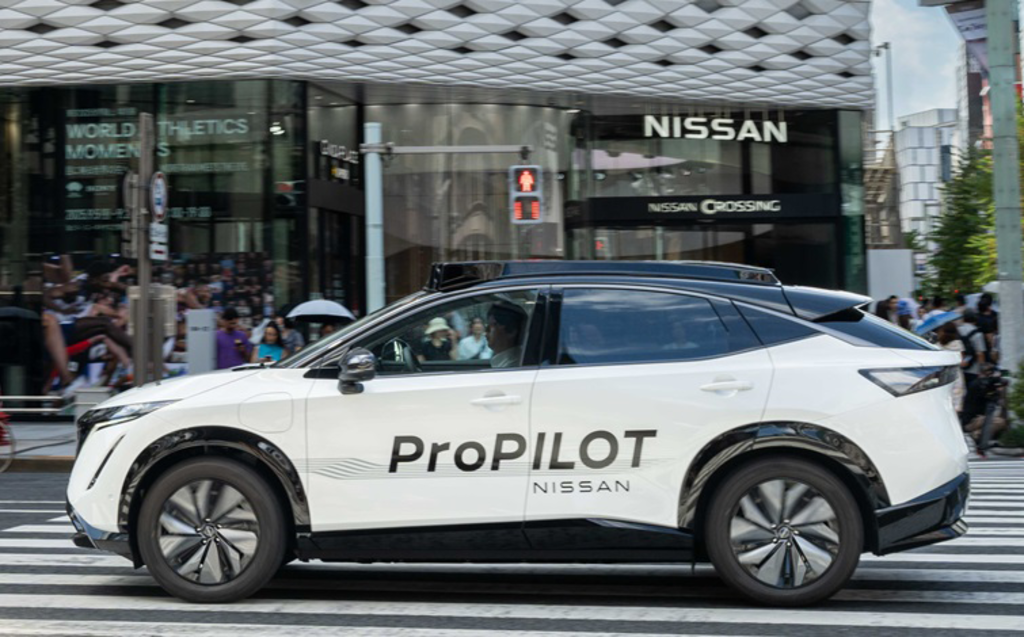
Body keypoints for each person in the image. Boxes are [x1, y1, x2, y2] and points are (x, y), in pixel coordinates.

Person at [937, 323, 966, 416]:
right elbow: (961, 361)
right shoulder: (958, 344)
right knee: (956, 397)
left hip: (942, 373)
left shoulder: (937, 345)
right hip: (956, 373)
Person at [487, 302, 528, 368]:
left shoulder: (511, 367)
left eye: (490, 327)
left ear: (511, 331)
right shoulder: (506, 361)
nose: (485, 333)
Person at [958, 309, 987, 390]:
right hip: (973, 369)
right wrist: (982, 368)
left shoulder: (957, 330)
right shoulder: (977, 333)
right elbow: (980, 353)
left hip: (960, 367)